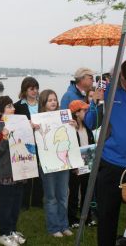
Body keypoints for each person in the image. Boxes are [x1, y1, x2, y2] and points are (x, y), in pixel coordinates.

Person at [85, 58, 126, 246]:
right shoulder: (110, 90)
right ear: (123, 79)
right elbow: (91, 123)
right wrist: (96, 101)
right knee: (107, 216)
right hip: (111, 163)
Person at [34, 89, 74, 238]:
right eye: (50, 100)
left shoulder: (64, 117)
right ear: (43, 103)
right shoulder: (36, 121)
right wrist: (32, 128)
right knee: (51, 197)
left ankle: (64, 225)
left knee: (63, 195)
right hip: (47, 164)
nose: (53, 102)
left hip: (63, 163)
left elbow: (69, 137)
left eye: (55, 99)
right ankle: (53, 227)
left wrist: (73, 125)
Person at [0, 96, 26, 246]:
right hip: (5, 173)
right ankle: (3, 234)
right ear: (0, 111)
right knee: (5, 205)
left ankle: (12, 230)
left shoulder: (18, 125)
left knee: (16, 205)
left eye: (12, 106)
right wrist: (4, 138)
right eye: (9, 107)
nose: (14, 109)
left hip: (19, 170)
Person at [14, 76, 43, 210]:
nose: (35, 91)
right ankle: (24, 202)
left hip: (41, 140)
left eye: (36, 88)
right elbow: (15, 125)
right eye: (32, 89)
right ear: (25, 90)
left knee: (40, 172)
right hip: (25, 142)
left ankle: (37, 200)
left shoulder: (42, 104)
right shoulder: (17, 106)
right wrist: (28, 125)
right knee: (26, 172)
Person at [67, 100, 96, 229]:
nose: (86, 112)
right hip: (75, 167)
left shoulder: (86, 127)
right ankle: (72, 219)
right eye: (84, 110)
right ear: (76, 113)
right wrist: (74, 166)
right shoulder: (70, 128)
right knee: (73, 193)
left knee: (87, 192)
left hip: (87, 164)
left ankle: (87, 217)